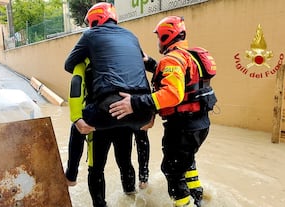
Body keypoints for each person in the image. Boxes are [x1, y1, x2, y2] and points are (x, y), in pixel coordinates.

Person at [109, 16, 217, 207]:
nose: (158, 41)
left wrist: (134, 103)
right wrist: (149, 62)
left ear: (167, 36)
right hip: (200, 124)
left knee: (172, 171)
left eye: (159, 37)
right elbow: (181, 76)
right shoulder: (189, 55)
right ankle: (198, 197)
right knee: (187, 162)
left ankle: (184, 204)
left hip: (182, 127)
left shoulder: (171, 60)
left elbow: (173, 94)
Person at [64, 2, 153, 133]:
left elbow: (69, 64)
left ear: (94, 19)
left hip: (109, 109)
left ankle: (74, 153)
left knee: (76, 126)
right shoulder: (132, 36)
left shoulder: (91, 35)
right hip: (143, 110)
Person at [65, 59, 150, 190]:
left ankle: (71, 176)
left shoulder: (83, 61)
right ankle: (137, 185)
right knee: (125, 161)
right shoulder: (122, 57)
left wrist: (76, 117)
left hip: (98, 121)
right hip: (123, 116)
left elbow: (76, 83)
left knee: (96, 168)